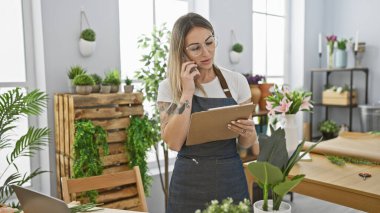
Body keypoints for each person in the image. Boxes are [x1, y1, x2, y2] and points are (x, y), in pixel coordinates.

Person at [157, 12, 259, 213]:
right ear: (182, 52)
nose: (206, 53)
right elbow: (174, 142)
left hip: (230, 176)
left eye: (209, 42)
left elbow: (246, 145)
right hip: (188, 181)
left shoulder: (237, 82)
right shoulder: (169, 87)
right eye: (195, 48)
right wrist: (187, 92)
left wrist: (249, 133)